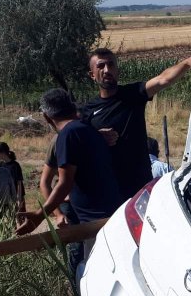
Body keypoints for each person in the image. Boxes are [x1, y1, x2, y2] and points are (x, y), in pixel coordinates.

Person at [16, 88, 122, 274]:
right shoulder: (88, 130)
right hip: (109, 213)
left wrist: (40, 215)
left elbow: (65, 183)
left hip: (93, 222)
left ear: (46, 117)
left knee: (96, 272)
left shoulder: (68, 134)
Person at [82, 48, 191, 199]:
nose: (107, 70)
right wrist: (97, 138)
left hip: (140, 187)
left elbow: (163, 79)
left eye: (111, 64)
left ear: (118, 70)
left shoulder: (133, 94)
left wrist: (187, 63)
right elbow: (77, 147)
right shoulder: (87, 111)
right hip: (108, 190)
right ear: (92, 74)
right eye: (101, 66)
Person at [0, 141, 26, 214]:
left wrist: (19, 198)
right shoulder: (0, 165)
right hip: (5, 196)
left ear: (3, 152)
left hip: (16, 195)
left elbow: (19, 183)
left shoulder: (15, 165)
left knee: (20, 216)